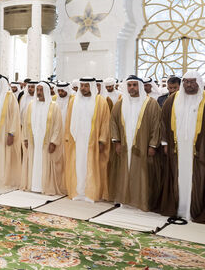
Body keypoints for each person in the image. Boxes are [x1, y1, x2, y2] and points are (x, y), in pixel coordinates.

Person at [156, 71, 205, 222]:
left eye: (192, 81)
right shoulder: (173, 100)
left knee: (197, 179)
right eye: (186, 82)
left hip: (199, 150)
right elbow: (163, 122)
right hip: (176, 149)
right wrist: (164, 143)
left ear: (199, 82)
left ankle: (194, 209)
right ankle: (178, 208)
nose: (189, 85)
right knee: (177, 177)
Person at [107, 76, 161, 211]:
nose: (132, 88)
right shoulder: (121, 103)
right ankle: (124, 200)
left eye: (135, 85)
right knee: (124, 171)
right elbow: (113, 122)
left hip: (143, 146)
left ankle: (140, 201)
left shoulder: (151, 103)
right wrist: (116, 141)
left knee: (141, 173)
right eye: (129, 85)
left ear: (140, 87)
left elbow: (157, 125)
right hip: (124, 145)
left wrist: (153, 145)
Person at [64, 77, 110, 202]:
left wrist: (102, 140)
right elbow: (68, 121)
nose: (83, 88)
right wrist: (67, 137)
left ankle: (91, 193)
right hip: (77, 140)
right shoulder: (73, 101)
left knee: (91, 165)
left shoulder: (100, 101)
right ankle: (78, 191)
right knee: (78, 164)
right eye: (82, 85)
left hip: (93, 140)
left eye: (86, 86)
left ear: (92, 86)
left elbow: (106, 123)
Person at [21, 82, 65, 195]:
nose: (39, 93)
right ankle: (33, 185)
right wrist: (25, 138)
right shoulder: (31, 104)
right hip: (33, 140)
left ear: (46, 91)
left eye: (41, 90)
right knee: (34, 161)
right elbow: (26, 123)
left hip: (47, 142)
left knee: (45, 162)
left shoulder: (54, 106)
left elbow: (57, 126)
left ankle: (44, 186)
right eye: (38, 90)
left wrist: (54, 142)